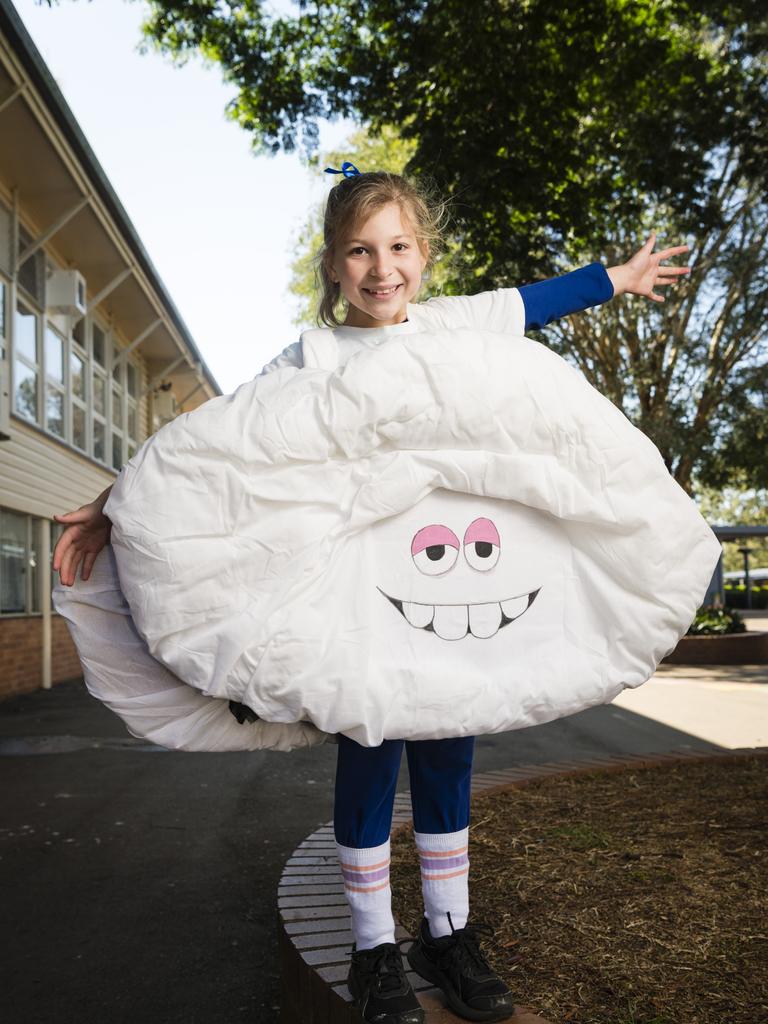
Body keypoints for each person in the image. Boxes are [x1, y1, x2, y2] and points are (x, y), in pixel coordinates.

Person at [53, 165, 691, 1024]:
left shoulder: (451, 326)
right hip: (368, 603)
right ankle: (371, 947)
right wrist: (109, 504)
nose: (380, 268)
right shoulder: (308, 357)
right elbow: (211, 452)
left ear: (424, 255)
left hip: (465, 593)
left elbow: (529, 304)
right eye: (359, 250)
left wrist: (615, 277)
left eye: (397, 248)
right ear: (332, 265)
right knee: (370, 752)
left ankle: (448, 934)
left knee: (448, 754)